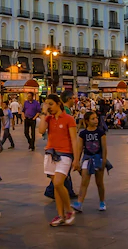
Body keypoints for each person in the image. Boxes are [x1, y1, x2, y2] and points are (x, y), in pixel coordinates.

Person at [37, 94, 78, 227]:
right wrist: (43, 113)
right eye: (47, 104)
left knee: (59, 183)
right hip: (50, 153)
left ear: (58, 103)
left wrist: (76, 159)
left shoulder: (68, 119)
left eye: (51, 104)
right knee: (56, 186)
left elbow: (74, 140)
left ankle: (68, 210)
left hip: (65, 154)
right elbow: (41, 130)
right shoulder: (48, 118)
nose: (49, 107)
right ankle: (60, 215)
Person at [73, 111, 107, 213]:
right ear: (87, 121)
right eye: (93, 118)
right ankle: (79, 203)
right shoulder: (83, 134)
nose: (96, 120)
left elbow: (104, 148)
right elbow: (79, 149)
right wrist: (77, 161)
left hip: (98, 158)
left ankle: (102, 201)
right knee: (84, 181)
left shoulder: (100, 132)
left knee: (99, 182)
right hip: (87, 158)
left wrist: (104, 160)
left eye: (96, 118)